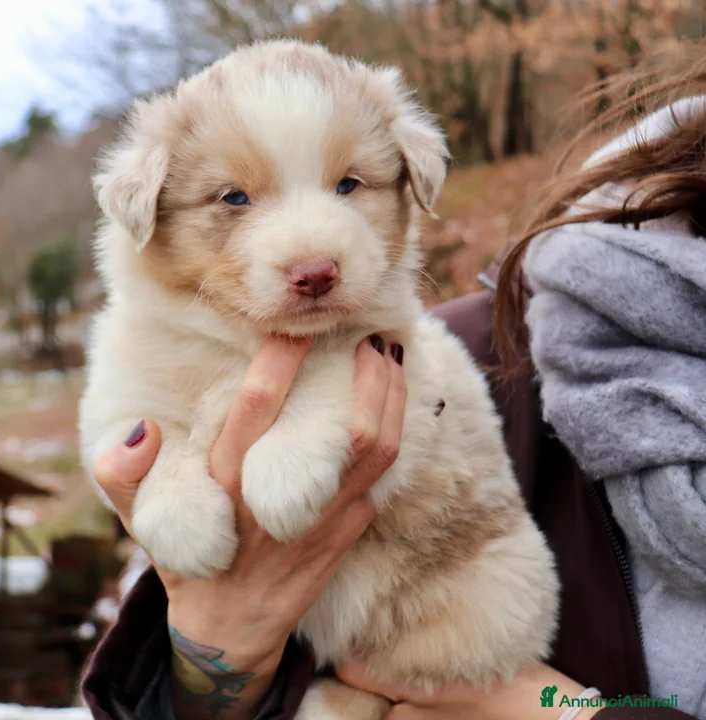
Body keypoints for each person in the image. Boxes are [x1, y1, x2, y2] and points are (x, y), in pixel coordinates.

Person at [81, 48, 706, 720]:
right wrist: (212, 667)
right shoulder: (496, 344)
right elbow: (176, 647)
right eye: (234, 198)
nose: (311, 255)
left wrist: (565, 712)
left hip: (456, 630)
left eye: (349, 184)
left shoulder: (427, 353)